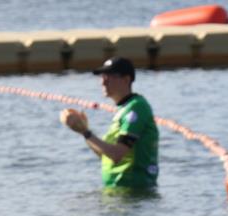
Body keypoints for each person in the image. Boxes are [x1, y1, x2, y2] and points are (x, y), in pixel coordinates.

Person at [60, 58, 159, 190]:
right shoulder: (124, 109)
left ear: (126, 79)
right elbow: (105, 155)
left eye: (110, 76)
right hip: (118, 192)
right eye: (103, 76)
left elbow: (117, 154)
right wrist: (83, 131)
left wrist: (86, 133)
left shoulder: (136, 108)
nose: (103, 82)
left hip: (133, 193)